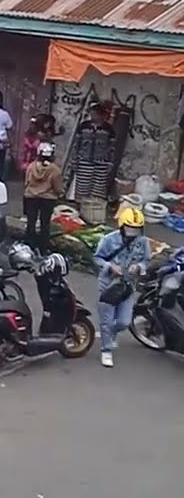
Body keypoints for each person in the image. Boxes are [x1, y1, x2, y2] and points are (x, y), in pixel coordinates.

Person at [94, 207, 150, 368]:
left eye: (136, 228)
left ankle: (109, 333)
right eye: (130, 227)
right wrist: (110, 267)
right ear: (122, 226)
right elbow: (97, 258)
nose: (133, 231)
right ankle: (106, 349)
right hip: (109, 285)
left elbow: (146, 260)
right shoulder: (109, 240)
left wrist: (138, 267)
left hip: (128, 285)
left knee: (124, 321)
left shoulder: (143, 242)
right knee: (107, 320)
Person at [67, 101, 116, 201]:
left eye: (95, 114)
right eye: (92, 113)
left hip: (102, 163)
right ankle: (80, 205)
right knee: (82, 188)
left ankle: (93, 207)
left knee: (98, 190)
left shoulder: (108, 129)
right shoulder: (83, 126)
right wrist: (74, 160)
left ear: (101, 115)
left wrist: (110, 163)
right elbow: (76, 145)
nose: (93, 116)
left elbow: (112, 148)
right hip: (84, 161)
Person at [23, 141, 64, 253]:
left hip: (31, 197)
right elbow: (58, 188)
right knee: (45, 224)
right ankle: (43, 247)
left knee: (31, 222)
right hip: (48, 199)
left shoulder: (31, 166)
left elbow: (26, 182)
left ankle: (29, 246)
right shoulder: (55, 170)